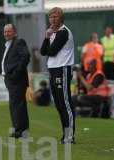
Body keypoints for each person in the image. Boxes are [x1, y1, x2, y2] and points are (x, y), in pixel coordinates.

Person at [40, 7, 75, 144]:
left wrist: (49, 39)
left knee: (65, 102)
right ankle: (65, 134)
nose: (53, 19)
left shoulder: (63, 32)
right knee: (59, 103)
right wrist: (46, 37)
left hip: (63, 69)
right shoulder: (52, 32)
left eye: (55, 17)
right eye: (51, 17)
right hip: (53, 69)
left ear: (61, 18)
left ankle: (70, 136)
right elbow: (43, 51)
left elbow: (52, 51)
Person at [1, 24, 30, 138]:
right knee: (15, 105)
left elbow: (26, 56)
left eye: (9, 31)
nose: (6, 34)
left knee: (17, 105)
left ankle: (20, 131)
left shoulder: (19, 42)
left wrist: (16, 73)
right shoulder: (8, 45)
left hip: (17, 80)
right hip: (10, 79)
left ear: (15, 32)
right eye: (5, 32)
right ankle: (19, 129)